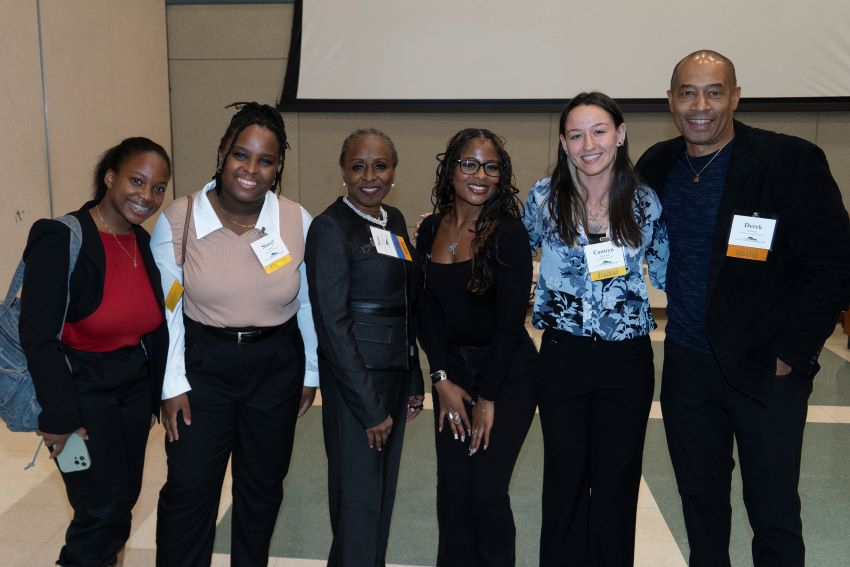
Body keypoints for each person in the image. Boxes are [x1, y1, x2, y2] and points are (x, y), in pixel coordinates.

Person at [635, 50, 850, 566]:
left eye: (713, 91)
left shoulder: (788, 161)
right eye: (687, 92)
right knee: (701, 509)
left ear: (735, 96)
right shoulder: (657, 164)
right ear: (671, 101)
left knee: (773, 513)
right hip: (687, 366)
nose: (700, 105)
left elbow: (835, 263)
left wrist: (792, 354)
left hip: (766, 369)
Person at [151, 102, 319, 566]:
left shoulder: (296, 220)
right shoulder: (178, 222)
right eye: (241, 155)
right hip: (202, 368)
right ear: (223, 152)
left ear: (278, 166)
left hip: (275, 367)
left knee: (262, 490)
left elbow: (306, 302)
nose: (251, 169)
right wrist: (171, 386)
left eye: (266, 160)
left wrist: (309, 372)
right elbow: (167, 310)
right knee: (190, 487)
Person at [523, 92, 668, 566]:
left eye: (599, 131)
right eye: (576, 134)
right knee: (564, 479)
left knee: (617, 482)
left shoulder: (645, 201)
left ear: (620, 134)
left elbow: (671, 272)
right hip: (564, 358)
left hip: (627, 362)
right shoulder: (544, 198)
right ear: (564, 143)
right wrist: (448, 228)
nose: (589, 144)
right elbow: (505, 250)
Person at [19, 137, 171, 566]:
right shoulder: (60, 237)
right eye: (136, 181)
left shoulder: (141, 242)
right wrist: (60, 420)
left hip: (132, 390)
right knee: (97, 514)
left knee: (121, 504)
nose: (146, 195)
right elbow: (38, 337)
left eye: (158, 188)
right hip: (77, 391)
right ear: (110, 177)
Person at [416, 128, 537, 567]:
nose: (480, 175)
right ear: (450, 169)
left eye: (492, 166)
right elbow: (426, 311)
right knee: (452, 491)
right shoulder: (430, 228)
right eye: (469, 163)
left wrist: (487, 397)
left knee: (486, 491)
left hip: (507, 375)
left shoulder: (508, 233)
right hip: (453, 375)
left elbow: (509, 325)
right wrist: (441, 378)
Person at [305, 128, 424, 567]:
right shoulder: (330, 228)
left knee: (380, 498)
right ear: (343, 171)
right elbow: (333, 326)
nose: (369, 176)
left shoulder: (391, 220)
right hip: (357, 383)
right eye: (358, 166)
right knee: (358, 503)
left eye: (380, 166)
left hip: (394, 373)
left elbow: (406, 306)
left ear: (393, 171)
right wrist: (368, 406)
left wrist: (413, 376)